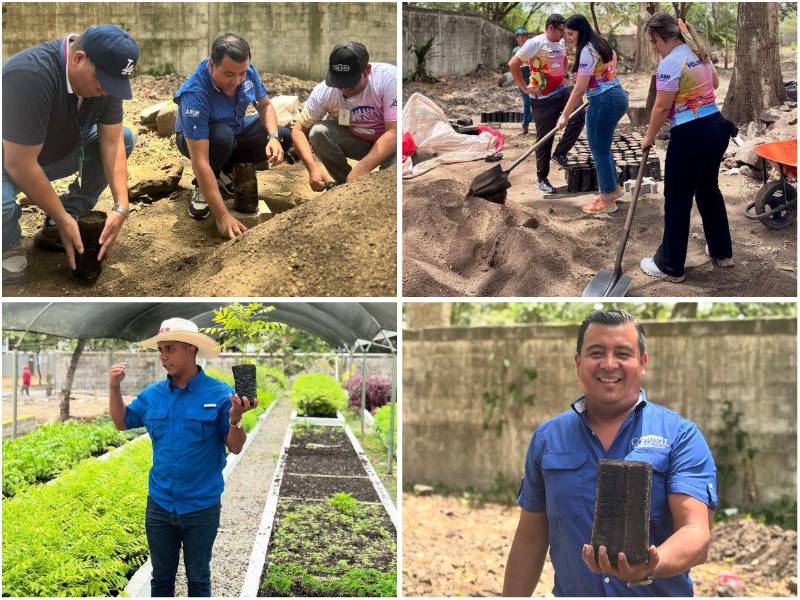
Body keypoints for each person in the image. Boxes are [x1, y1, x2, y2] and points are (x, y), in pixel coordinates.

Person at [503, 309, 716, 597]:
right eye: (596, 353)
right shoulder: (548, 439)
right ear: (578, 363)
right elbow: (530, 540)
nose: (609, 363)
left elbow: (696, 534)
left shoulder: (679, 436)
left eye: (623, 353)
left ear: (642, 363)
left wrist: (651, 566)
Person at [109, 317, 258, 597]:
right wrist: (114, 387)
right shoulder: (153, 395)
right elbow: (122, 421)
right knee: (161, 578)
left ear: (191, 349)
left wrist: (235, 418)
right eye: (160, 350)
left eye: (171, 349)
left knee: (199, 578)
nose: (163, 357)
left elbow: (235, 446)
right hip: (160, 505)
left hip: (201, 506)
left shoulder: (219, 394)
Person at [2, 25, 138, 283]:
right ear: (78, 59)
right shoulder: (30, 76)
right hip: (9, 158)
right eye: (103, 83)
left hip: (52, 151)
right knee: (2, 205)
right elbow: (19, 164)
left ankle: (66, 215)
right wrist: (65, 220)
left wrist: (121, 206)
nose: (107, 92)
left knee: (126, 137)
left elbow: (112, 141)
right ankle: (7, 242)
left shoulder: (105, 76)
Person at [638, 13, 734, 283]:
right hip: (716, 127)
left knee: (678, 198)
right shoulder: (698, 52)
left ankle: (670, 266)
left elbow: (661, 106)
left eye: (654, 41)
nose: (654, 47)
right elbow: (713, 84)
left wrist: (648, 137)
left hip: (690, 134)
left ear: (665, 37)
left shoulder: (670, 63)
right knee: (708, 190)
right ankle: (722, 252)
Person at [174, 33, 292, 238]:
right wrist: (222, 216)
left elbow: (264, 106)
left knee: (284, 135)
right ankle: (202, 187)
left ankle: (224, 172)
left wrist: (273, 137)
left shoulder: (245, 71)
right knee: (222, 137)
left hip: (234, 129)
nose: (237, 80)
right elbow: (200, 160)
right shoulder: (195, 93)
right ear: (212, 65)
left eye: (242, 74)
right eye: (229, 74)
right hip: (197, 140)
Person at [291, 42, 397, 190]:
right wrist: (312, 168)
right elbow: (298, 130)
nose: (344, 89)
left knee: (390, 181)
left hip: (392, 146)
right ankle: (346, 188)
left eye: (351, 83)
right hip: (357, 141)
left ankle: (370, 186)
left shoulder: (389, 79)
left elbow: (394, 132)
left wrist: (361, 169)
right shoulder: (324, 91)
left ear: (367, 70)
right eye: (339, 82)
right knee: (318, 132)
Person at [557, 15, 628, 214]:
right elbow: (613, 59)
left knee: (599, 150)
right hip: (617, 95)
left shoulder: (587, 51)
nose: (569, 38)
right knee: (603, 147)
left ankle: (607, 200)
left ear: (582, 30)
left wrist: (564, 115)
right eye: (567, 35)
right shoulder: (600, 44)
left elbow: (579, 89)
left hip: (604, 101)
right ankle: (614, 189)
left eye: (571, 34)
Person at [509, 14, 585, 194]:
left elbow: (565, 59)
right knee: (545, 139)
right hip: (542, 100)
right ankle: (542, 179)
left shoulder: (560, 43)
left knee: (579, 115)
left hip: (561, 92)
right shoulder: (535, 43)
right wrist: (525, 88)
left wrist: (564, 75)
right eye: (561, 31)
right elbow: (513, 64)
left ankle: (560, 153)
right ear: (550, 28)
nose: (564, 35)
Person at [511, 28, 532, 135]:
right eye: (518, 38)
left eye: (523, 37)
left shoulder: (532, 49)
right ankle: (525, 125)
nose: (521, 39)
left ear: (526, 38)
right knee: (527, 102)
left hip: (533, 79)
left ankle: (541, 124)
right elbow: (513, 66)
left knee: (537, 102)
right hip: (521, 80)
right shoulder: (515, 51)